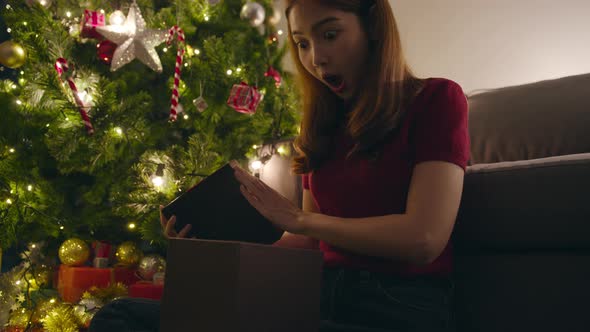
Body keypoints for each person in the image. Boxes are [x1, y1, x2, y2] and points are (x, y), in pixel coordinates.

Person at [89, 0, 469, 331]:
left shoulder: (436, 99)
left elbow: (424, 239)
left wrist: (301, 219)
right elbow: (305, 241)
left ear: (372, 27)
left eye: (330, 35)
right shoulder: (322, 126)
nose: (316, 58)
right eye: (302, 43)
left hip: (397, 307)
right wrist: (214, 245)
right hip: (312, 297)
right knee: (120, 316)